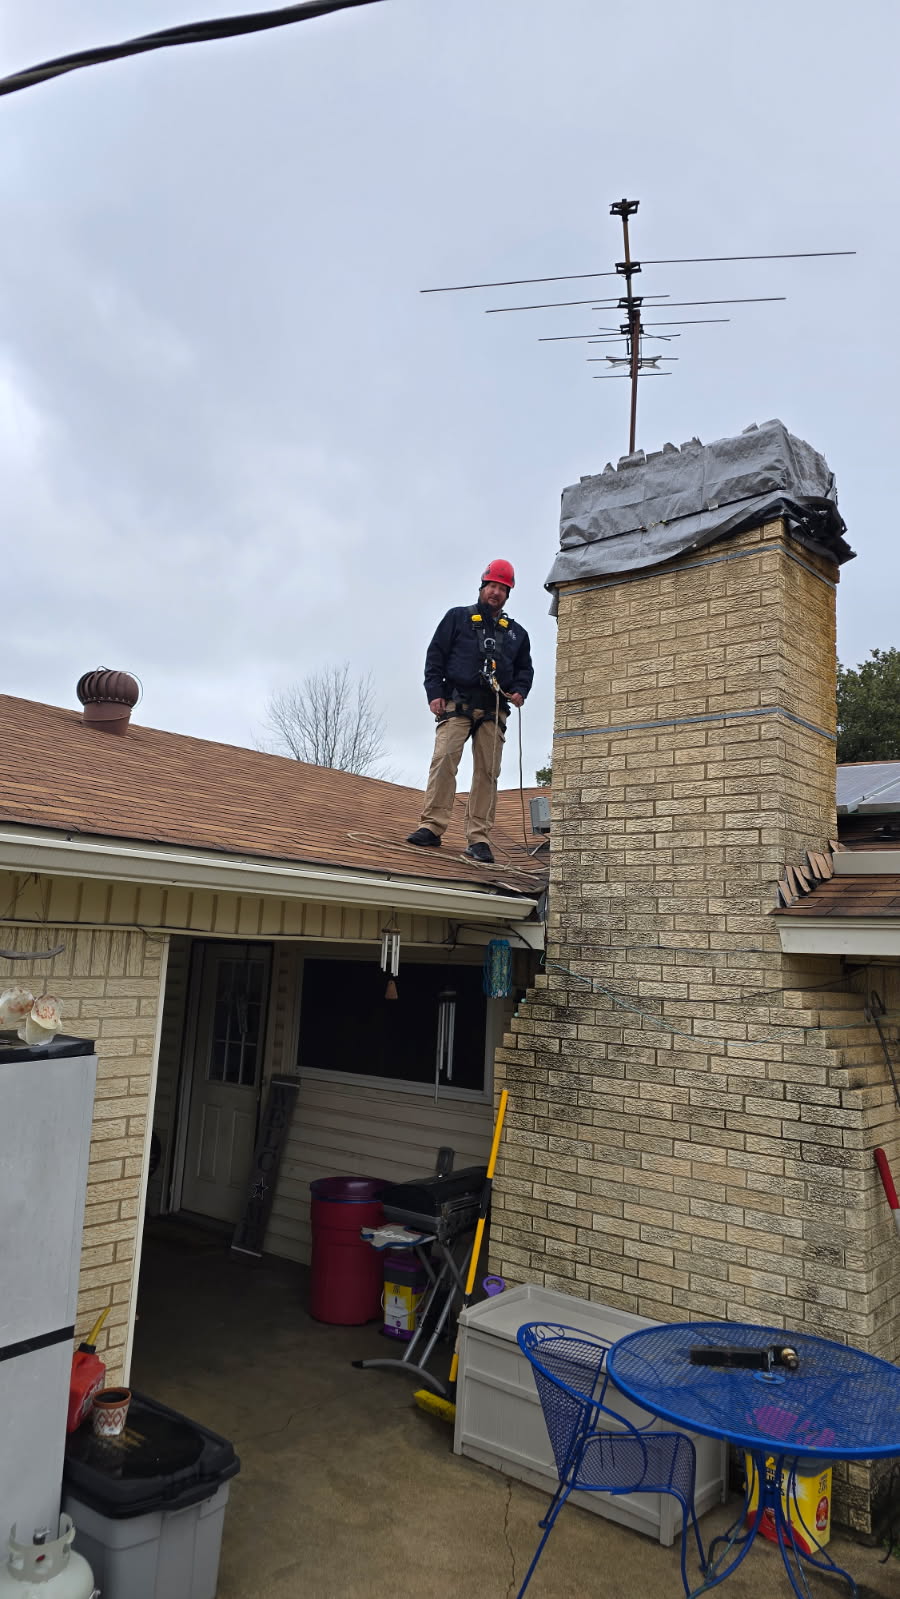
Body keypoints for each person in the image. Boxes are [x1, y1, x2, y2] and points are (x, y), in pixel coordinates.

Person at [407, 560, 534, 864]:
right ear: (482, 587)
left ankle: (478, 838)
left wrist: (520, 690)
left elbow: (524, 669)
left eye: (502, 589)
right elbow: (436, 654)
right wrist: (434, 693)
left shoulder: (517, 634)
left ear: (508, 595)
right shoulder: (457, 619)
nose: (496, 592)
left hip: (493, 707)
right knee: (444, 760)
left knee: (487, 773)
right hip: (458, 702)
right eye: (492, 586)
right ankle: (431, 826)